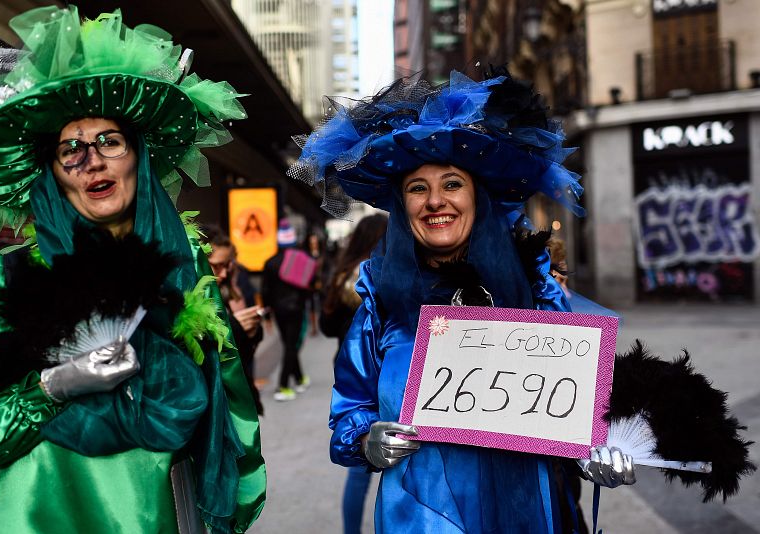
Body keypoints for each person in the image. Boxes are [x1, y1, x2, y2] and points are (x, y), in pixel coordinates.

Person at [289, 68, 635, 532]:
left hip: (525, 516)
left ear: (477, 197)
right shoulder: (380, 300)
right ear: (403, 206)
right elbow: (350, 410)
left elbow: (577, 403)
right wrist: (366, 440)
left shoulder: (535, 288)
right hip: (419, 522)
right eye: (418, 188)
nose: (436, 201)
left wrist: (598, 447)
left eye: (451, 184)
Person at [0, 6, 264, 533]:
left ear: (137, 156)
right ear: (53, 175)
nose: (92, 161)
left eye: (109, 142)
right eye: (70, 150)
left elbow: (230, 410)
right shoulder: (5, 278)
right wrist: (54, 386)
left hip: (157, 516)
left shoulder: (186, 267)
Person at [320, 213, 388, 534]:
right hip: (383, 371)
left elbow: (326, 325)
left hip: (348, 370)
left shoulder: (342, 274)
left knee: (361, 460)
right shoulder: (382, 276)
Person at [203, 224, 265, 416]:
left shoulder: (228, 288)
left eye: (227, 265)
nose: (223, 273)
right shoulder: (186, 297)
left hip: (237, 394)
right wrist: (235, 327)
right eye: (216, 266)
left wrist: (253, 330)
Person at [261, 219, 312, 401]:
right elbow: (308, 286)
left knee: (289, 343)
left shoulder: (270, 263)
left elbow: (265, 290)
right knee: (291, 345)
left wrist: (267, 316)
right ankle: (282, 386)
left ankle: (299, 378)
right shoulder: (301, 259)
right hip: (296, 309)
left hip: (278, 310)